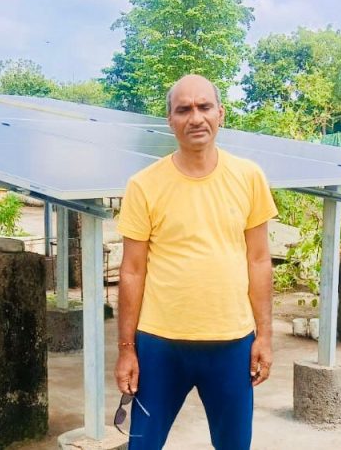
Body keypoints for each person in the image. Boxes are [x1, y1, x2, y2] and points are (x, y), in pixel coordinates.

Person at [115, 74, 278, 448]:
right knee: (143, 445)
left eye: (204, 107)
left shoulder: (249, 177)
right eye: (183, 110)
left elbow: (258, 260)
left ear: (221, 113)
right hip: (159, 344)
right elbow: (132, 271)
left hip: (231, 343)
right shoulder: (144, 184)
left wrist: (265, 336)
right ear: (170, 120)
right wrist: (126, 350)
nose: (196, 118)